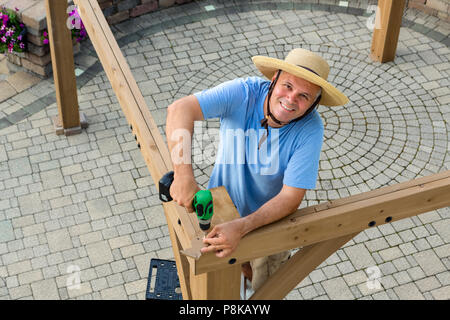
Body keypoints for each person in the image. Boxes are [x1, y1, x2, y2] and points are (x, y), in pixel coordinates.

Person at [165, 48, 348, 292]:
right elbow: (179, 109)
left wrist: (242, 227)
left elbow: (291, 196)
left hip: (268, 223)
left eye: (305, 96)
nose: (292, 99)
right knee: (214, 280)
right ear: (273, 80)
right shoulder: (244, 92)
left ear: (314, 104)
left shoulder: (311, 129)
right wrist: (183, 175)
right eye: (288, 86)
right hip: (220, 211)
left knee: (264, 287)